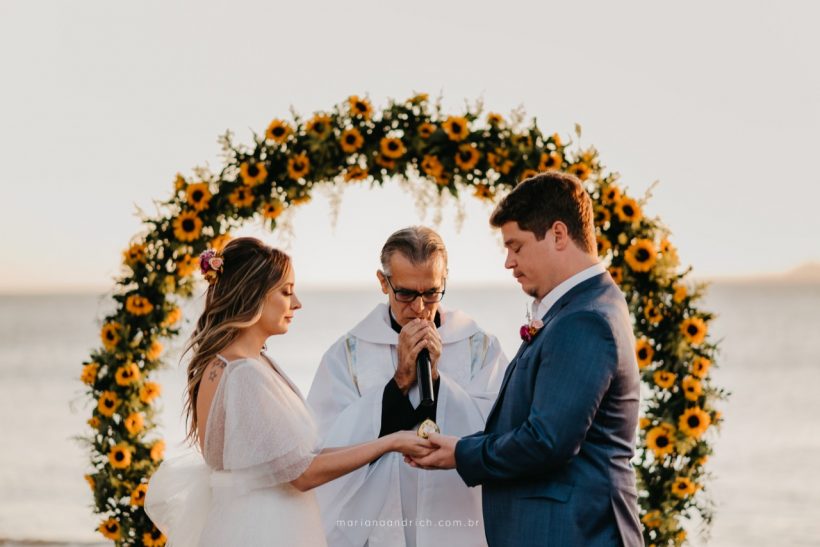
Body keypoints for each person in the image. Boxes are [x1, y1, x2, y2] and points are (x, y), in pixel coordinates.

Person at [145, 237, 433, 547]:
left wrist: (387, 441)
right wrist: (391, 442)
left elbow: (296, 459)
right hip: (265, 531)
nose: (297, 303)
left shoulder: (223, 364)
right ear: (252, 295)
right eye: (286, 292)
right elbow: (303, 472)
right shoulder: (243, 374)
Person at [407, 173, 644, 547]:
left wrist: (462, 452)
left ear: (558, 235)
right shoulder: (582, 308)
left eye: (516, 246)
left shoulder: (584, 320)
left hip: (573, 534)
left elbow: (547, 441)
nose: (508, 262)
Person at [307, 226, 508, 547]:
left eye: (431, 292)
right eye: (405, 293)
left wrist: (439, 381)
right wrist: (400, 380)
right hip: (374, 525)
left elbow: (497, 431)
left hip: (456, 515)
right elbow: (327, 444)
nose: (418, 307)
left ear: (445, 281)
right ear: (382, 282)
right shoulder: (348, 352)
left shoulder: (478, 346)